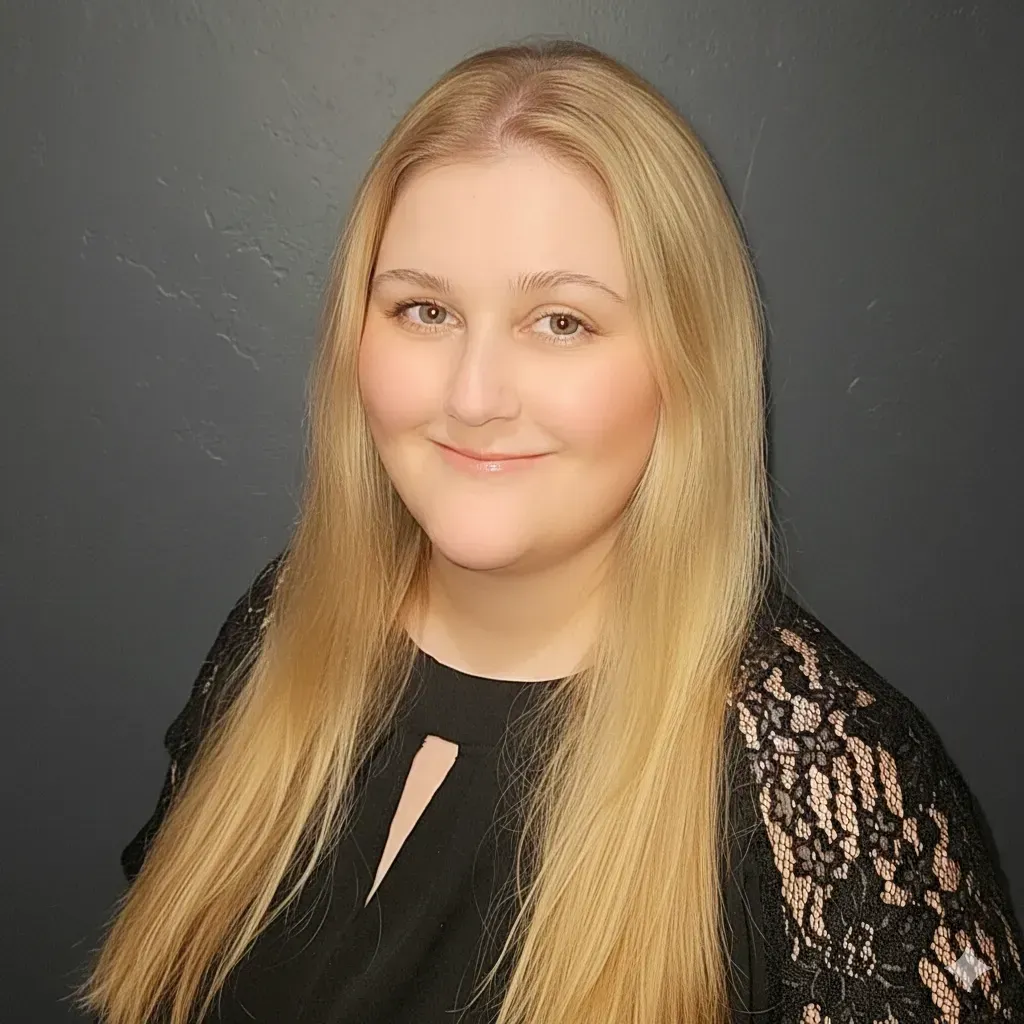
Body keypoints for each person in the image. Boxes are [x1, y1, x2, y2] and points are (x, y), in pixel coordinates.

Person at [74, 38, 1024, 1024]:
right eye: (424, 308)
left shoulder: (819, 777)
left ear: (687, 366)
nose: (473, 395)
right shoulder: (281, 629)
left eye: (560, 321)